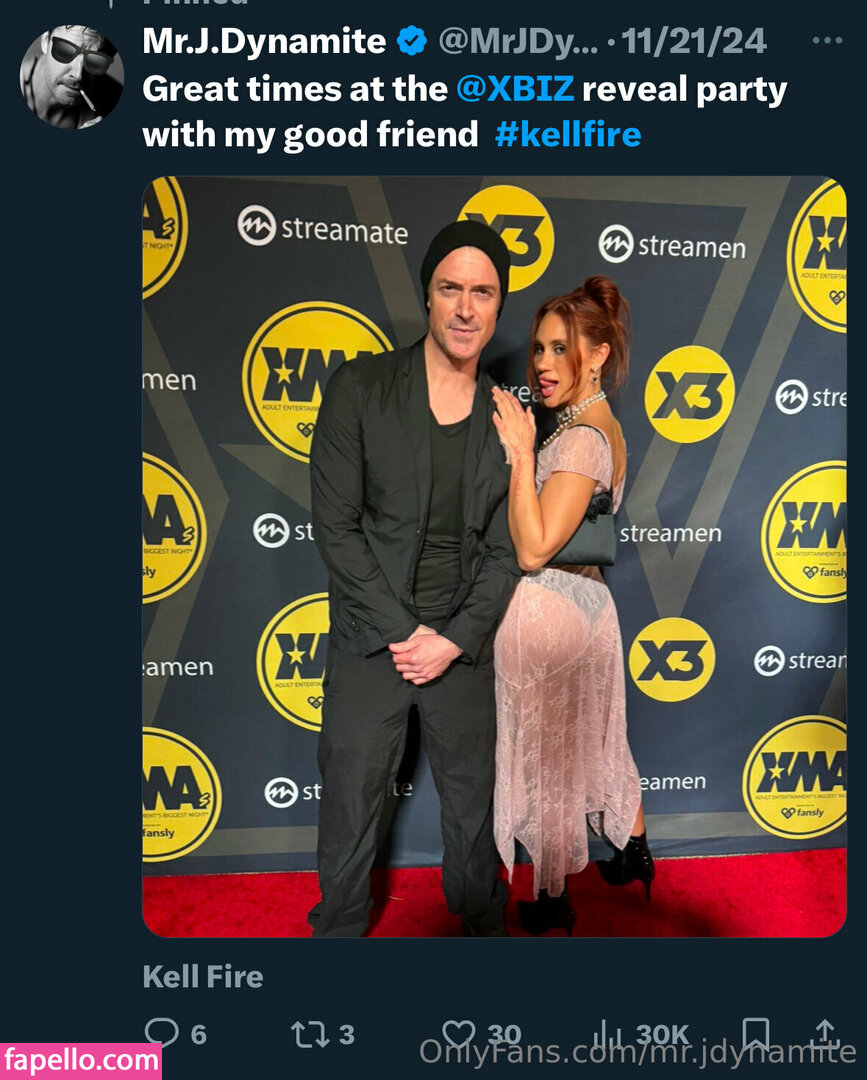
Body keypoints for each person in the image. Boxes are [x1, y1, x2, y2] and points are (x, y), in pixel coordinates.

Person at [308, 220, 521, 937]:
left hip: (463, 639)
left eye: (482, 292)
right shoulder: (360, 387)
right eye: (450, 288)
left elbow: (507, 551)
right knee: (350, 794)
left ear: (498, 305)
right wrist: (405, 633)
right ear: (427, 296)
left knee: (472, 801)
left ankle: (479, 922)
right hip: (374, 634)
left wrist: (452, 639)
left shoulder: (507, 417)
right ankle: (338, 929)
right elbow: (336, 528)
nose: (465, 307)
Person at [491, 276, 654, 936]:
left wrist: (519, 452)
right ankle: (634, 849)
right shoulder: (596, 426)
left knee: (551, 763)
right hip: (583, 607)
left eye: (561, 349)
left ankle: (554, 898)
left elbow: (533, 549)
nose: (542, 363)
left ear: (599, 355)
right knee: (592, 742)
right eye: (538, 348)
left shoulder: (581, 438)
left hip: (553, 614)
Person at [20, 26, 119, 129]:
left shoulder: (114, 101)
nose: (78, 75)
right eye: (65, 50)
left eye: (96, 60)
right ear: (45, 41)